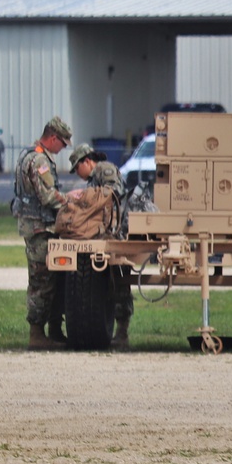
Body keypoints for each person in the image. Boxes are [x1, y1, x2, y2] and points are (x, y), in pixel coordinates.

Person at [12, 116, 72, 350]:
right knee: (41, 281)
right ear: (53, 137)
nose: (63, 148)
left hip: (38, 227)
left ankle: (52, 331)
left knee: (50, 279)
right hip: (40, 228)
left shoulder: (30, 154)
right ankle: (36, 334)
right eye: (63, 143)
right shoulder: (39, 160)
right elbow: (48, 196)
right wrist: (70, 202)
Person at [68, 143, 134, 351]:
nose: (78, 174)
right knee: (110, 283)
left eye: (77, 168)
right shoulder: (95, 177)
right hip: (105, 231)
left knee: (120, 282)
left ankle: (122, 332)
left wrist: (86, 196)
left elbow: (113, 193)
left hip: (117, 232)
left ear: (87, 161)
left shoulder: (104, 169)